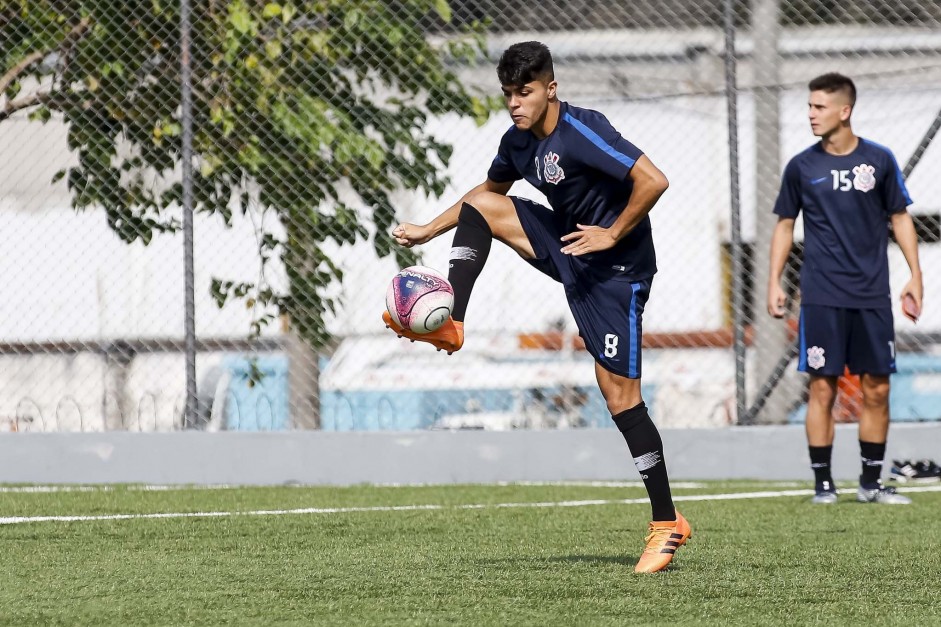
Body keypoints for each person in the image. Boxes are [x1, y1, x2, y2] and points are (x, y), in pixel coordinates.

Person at [381, 41, 690, 573]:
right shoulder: (517, 143)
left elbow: (653, 180)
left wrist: (613, 234)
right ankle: (453, 322)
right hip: (568, 245)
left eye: (524, 92)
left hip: (617, 270)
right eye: (508, 94)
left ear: (550, 88)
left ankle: (668, 523)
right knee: (483, 205)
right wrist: (429, 228)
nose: (515, 104)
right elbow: (488, 193)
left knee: (619, 397)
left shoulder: (584, 130)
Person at [767, 72, 924, 505]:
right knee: (823, 388)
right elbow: (784, 225)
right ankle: (824, 485)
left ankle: (871, 484)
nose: (811, 114)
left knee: (877, 388)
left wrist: (915, 274)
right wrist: (773, 283)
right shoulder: (802, 166)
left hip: (872, 295)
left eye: (819, 107)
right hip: (820, 296)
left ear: (844, 111)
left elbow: (900, 217)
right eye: (810, 106)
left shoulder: (879, 160)